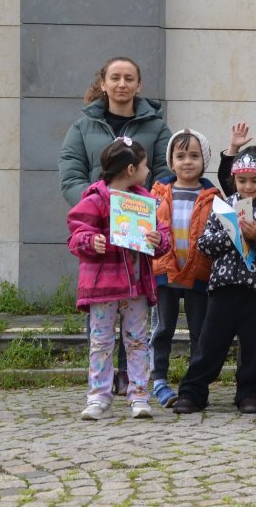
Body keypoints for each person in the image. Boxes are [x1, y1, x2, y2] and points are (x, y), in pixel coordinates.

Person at [172, 149, 256, 414]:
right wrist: (232, 233)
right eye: (243, 181)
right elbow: (203, 244)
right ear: (234, 180)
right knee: (211, 343)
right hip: (224, 286)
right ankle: (193, 391)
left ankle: (249, 392)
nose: (249, 186)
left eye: (255, 181)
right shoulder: (222, 206)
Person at [67, 138, 172, 420]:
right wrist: (91, 241)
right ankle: (98, 396)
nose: (148, 170)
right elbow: (75, 236)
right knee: (101, 341)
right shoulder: (94, 200)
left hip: (136, 286)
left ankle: (139, 394)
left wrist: (158, 239)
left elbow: (164, 237)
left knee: (137, 340)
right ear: (130, 169)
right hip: (102, 288)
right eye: (144, 165)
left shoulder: (146, 201)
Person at [149, 129, 219, 408]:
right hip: (164, 269)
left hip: (199, 272)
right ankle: (158, 381)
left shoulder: (213, 197)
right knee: (162, 328)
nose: (187, 162)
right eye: (180, 156)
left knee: (198, 331)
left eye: (194, 155)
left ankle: (193, 383)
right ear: (171, 161)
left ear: (205, 159)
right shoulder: (156, 194)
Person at [60, 58, 173, 204]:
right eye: (115, 78)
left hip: (142, 219)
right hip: (95, 221)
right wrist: (99, 205)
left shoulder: (158, 128)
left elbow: (165, 174)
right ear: (103, 84)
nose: (122, 84)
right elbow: (71, 178)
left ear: (138, 85)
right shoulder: (80, 128)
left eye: (129, 79)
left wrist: (142, 208)